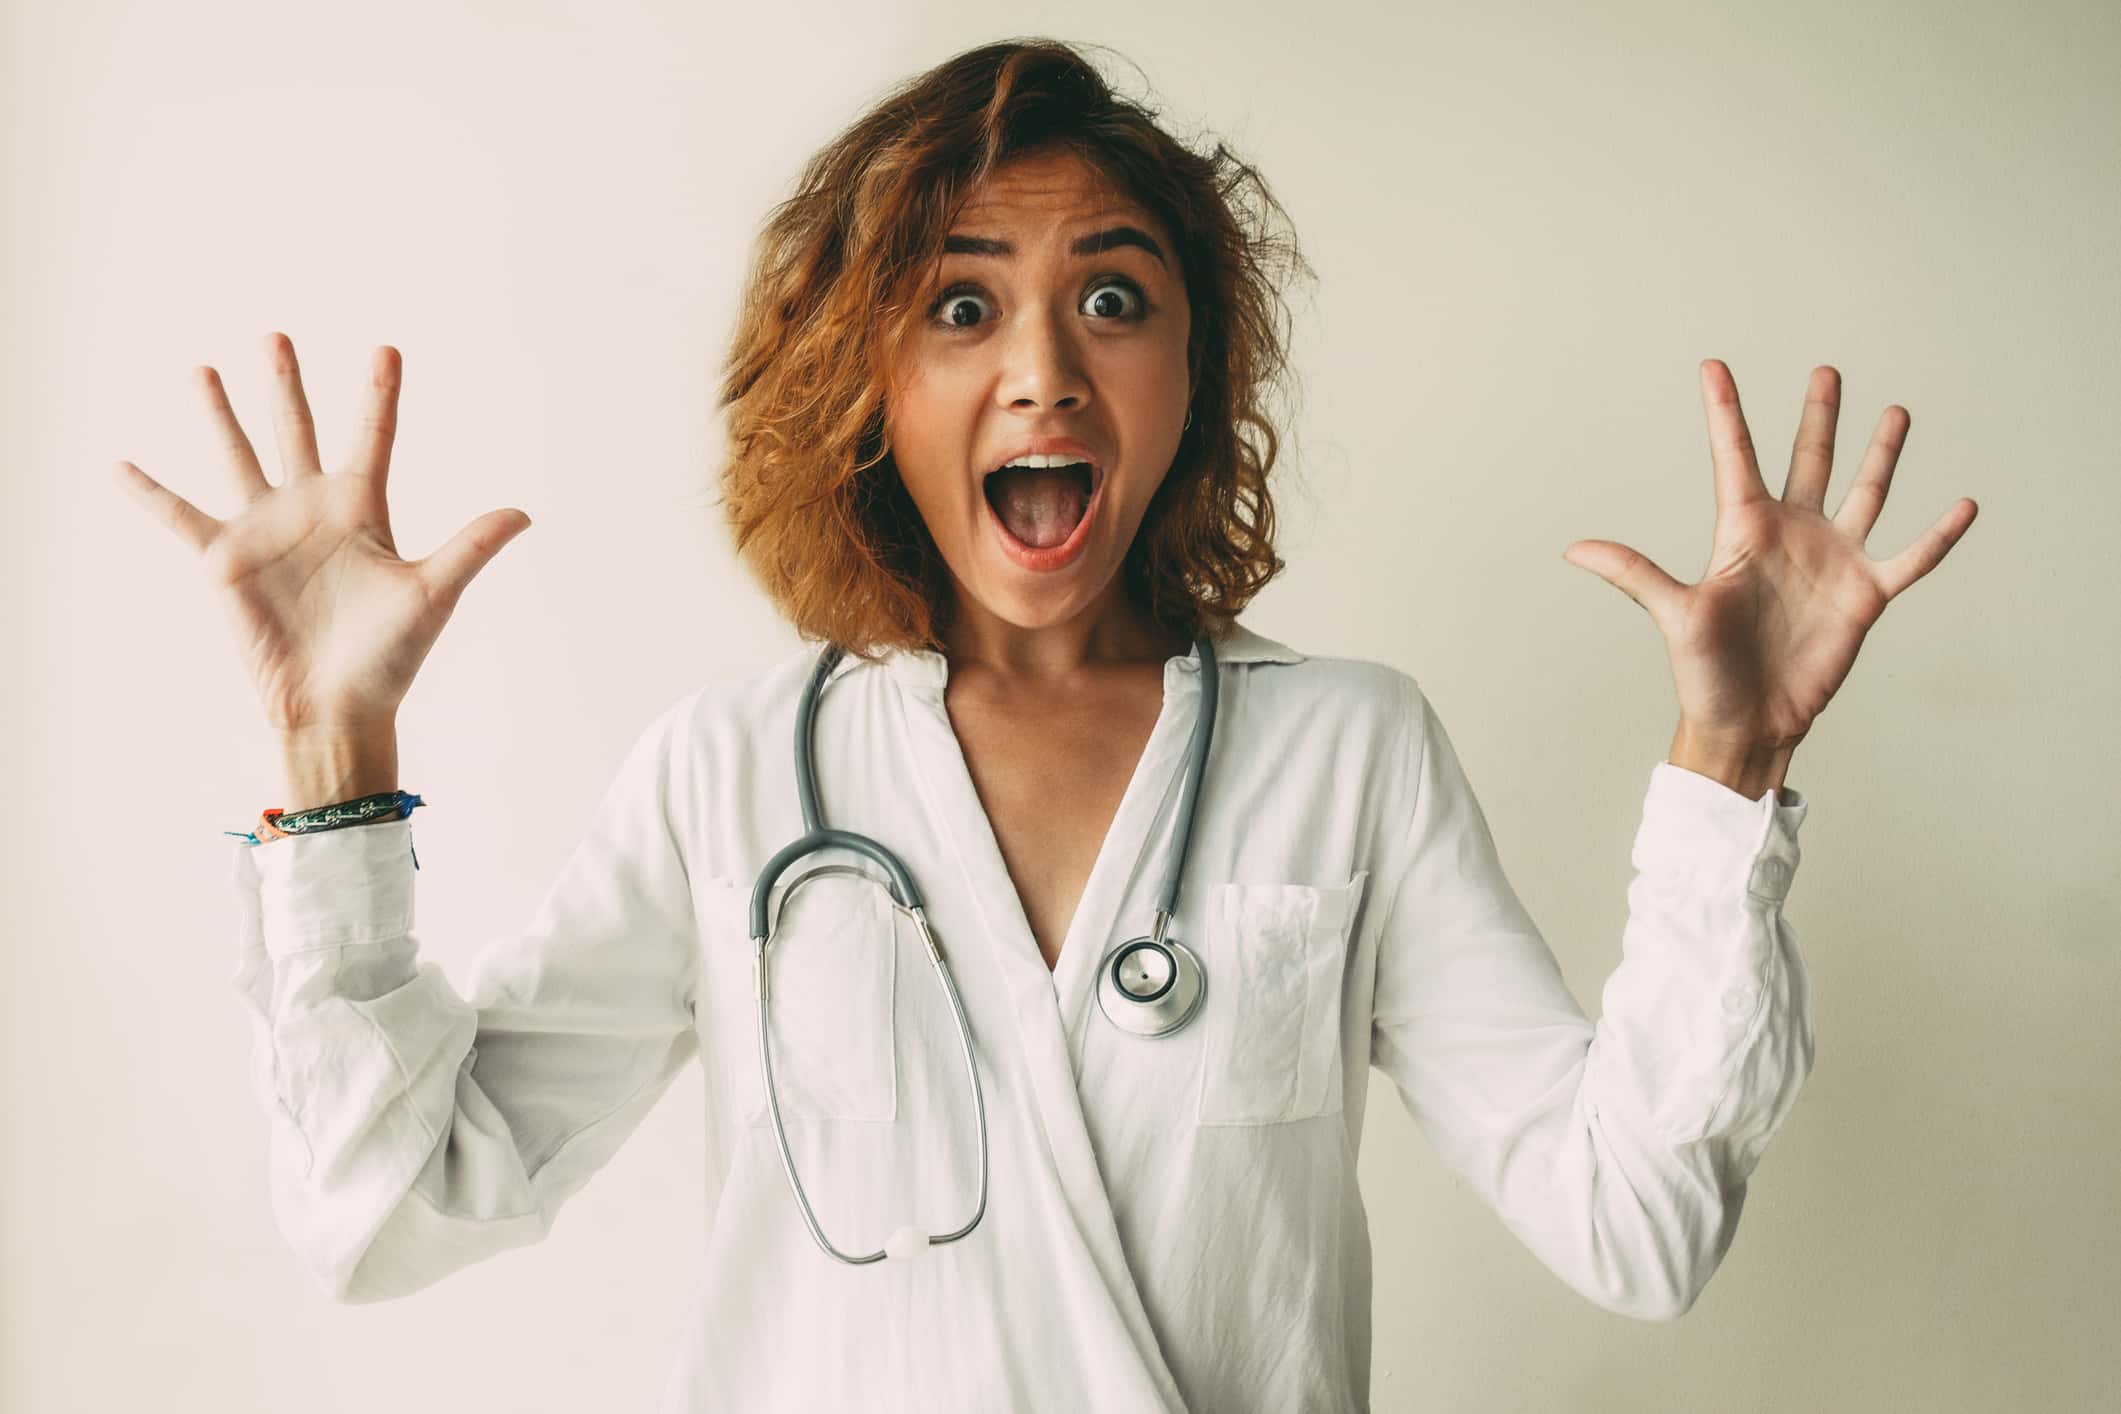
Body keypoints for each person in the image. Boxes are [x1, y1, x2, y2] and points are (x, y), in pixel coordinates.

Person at [112, 36, 1977, 1414]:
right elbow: (384, 1213)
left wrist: (1727, 767)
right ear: (864, 389)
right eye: (956, 305)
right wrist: (332, 757)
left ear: (1189, 376)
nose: (1040, 368)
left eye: (1110, 295)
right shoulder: (736, 774)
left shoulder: (1347, 754)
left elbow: (1634, 1228)